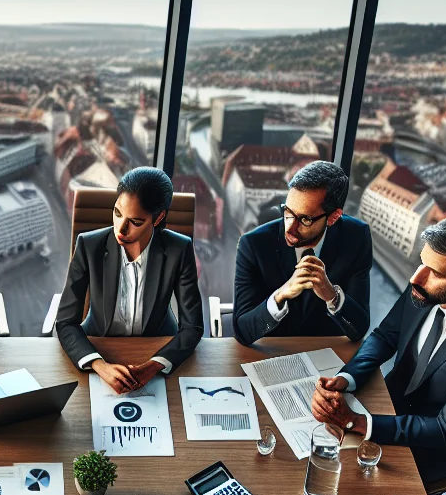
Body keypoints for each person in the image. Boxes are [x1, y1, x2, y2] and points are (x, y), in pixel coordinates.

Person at [310, 212, 446, 485]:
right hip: (391, 404)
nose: (415, 278)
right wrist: (347, 378)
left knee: (343, 482)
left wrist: (356, 422)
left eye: (434, 272)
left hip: (435, 442)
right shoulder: (425, 285)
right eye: (422, 262)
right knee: (314, 456)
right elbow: (385, 336)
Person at [53, 166, 204, 393]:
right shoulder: (88, 246)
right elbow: (65, 322)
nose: (121, 228)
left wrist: (155, 365)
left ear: (158, 217)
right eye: (117, 213)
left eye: (135, 221)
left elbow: (193, 326)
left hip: (159, 346)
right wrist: (99, 365)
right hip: (98, 344)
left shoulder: (179, 249)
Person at [233, 160, 372, 345]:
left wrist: (332, 296)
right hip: (272, 353)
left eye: (305, 219)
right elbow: (242, 331)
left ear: (333, 217)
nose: (289, 228)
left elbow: (359, 329)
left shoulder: (356, 237)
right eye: (288, 212)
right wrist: (280, 295)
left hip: (327, 355)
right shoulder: (253, 244)